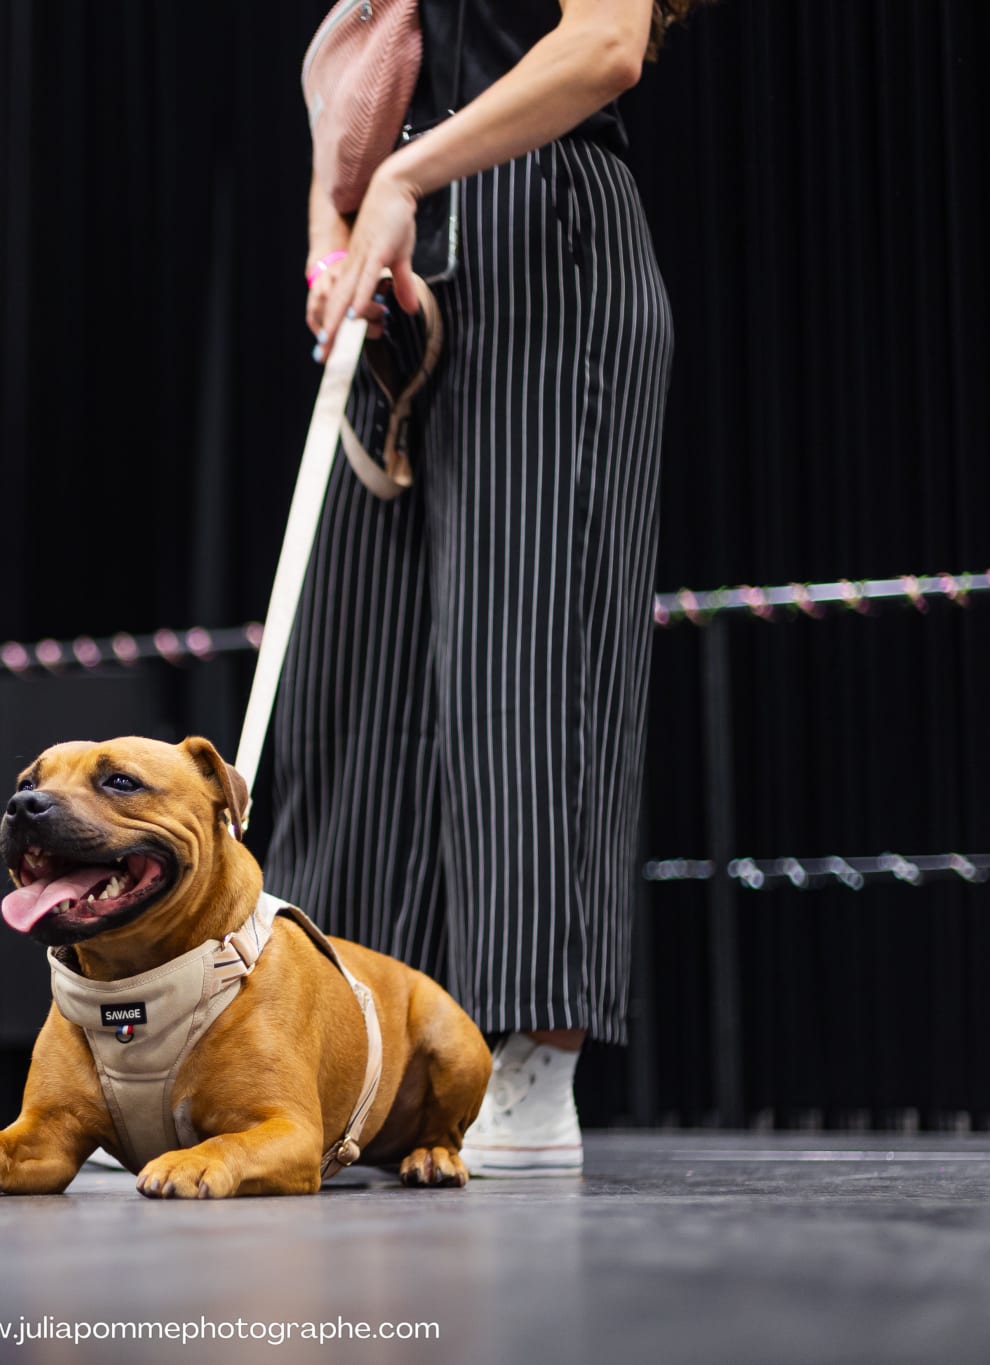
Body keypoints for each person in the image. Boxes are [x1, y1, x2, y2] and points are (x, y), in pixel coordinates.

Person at [269, 0, 708, 1176]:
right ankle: (320, 1059)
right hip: (404, 263)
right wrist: (334, 239)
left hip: (539, 232)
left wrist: (405, 175)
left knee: (527, 652)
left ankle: (524, 1062)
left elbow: (602, 50)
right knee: (348, 688)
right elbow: (349, 106)